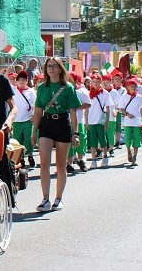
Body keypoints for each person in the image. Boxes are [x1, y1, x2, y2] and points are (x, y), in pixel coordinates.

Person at [31, 57, 81, 211]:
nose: (51, 69)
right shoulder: (41, 87)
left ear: (60, 69)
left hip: (62, 123)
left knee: (60, 164)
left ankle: (58, 198)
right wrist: (34, 131)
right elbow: (38, 111)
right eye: (49, 66)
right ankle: (45, 198)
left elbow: (73, 112)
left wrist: (75, 133)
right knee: (44, 162)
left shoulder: (68, 88)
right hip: (46, 124)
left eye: (54, 66)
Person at [117, 78, 142, 167]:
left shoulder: (139, 97)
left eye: (134, 86)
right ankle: (129, 151)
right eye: (131, 86)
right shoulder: (124, 97)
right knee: (128, 139)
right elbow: (120, 109)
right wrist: (127, 114)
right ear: (128, 87)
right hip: (127, 122)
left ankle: (135, 157)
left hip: (137, 122)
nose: (133, 88)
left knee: (137, 140)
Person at [11, 71, 36, 169]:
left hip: (27, 120)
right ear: (16, 81)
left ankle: (30, 154)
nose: (21, 82)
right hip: (16, 120)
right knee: (18, 141)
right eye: (19, 80)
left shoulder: (30, 91)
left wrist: (34, 116)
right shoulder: (13, 90)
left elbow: (35, 104)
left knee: (28, 139)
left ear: (27, 81)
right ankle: (21, 158)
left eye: (24, 80)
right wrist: (8, 70)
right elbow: (5, 81)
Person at [85, 75, 111, 161]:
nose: (95, 84)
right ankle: (93, 159)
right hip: (91, 120)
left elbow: (108, 109)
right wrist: (86, 121)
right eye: (93, 82)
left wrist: (107, 122)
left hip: (100, 120)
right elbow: (87, 109)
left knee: (102, 139)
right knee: (93, 141)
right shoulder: (88, 94)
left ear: (100, 82)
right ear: (91, 83)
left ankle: (105, 156)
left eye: (97, 81)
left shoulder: (105, 93)